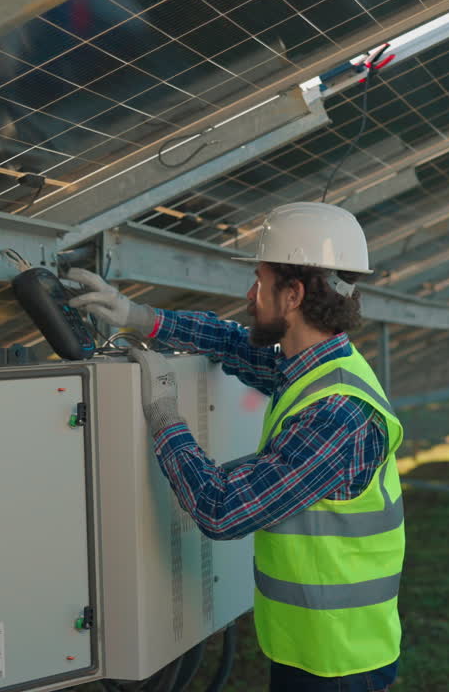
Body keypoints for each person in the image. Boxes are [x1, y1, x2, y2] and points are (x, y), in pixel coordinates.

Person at [68, 202, 405, 692]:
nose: (251, 296)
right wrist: (140, 316)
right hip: (317, 645)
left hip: (337, 661)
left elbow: (223, 508)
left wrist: (165, 417)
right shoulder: (317, 367)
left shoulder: (337, 413)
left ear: (292, 295)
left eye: (260, 282)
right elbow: (234, 344)